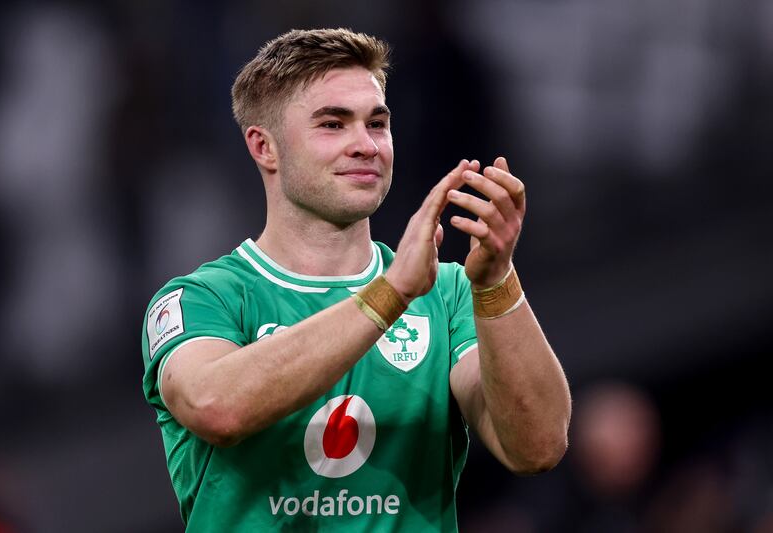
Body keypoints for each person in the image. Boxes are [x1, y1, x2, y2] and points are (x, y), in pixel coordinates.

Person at [141, 28, 571, 532]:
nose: (365, 145)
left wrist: (497, 279)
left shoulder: (447, 292)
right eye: (332, 124)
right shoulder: (201, 298)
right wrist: (390, 294)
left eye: (377, 123)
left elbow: (537, 446)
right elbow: (216, 406)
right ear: (264, 147)